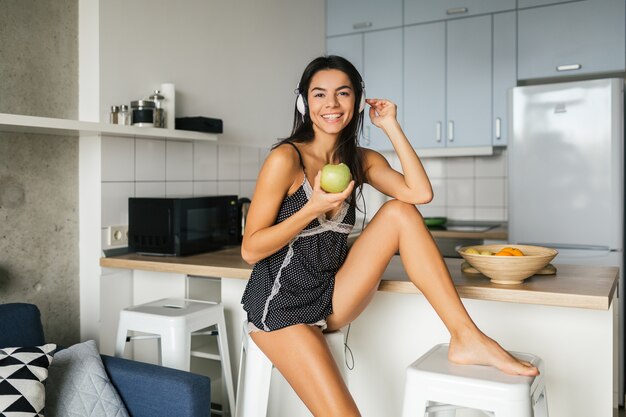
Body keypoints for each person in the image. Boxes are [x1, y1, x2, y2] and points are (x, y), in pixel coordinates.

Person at [240, 55, 538, 417]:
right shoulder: (286, 159)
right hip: (282, 306)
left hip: (328, 294)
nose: (331, 104)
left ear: (356, 100)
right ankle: (468, 340)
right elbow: (251, 250)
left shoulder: (358, 159)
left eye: (343, 93)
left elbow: (419, 193)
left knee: (401, 212)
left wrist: (391, 126)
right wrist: (311, 207)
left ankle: (466, 337)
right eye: (319, 94)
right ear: (304, 102)